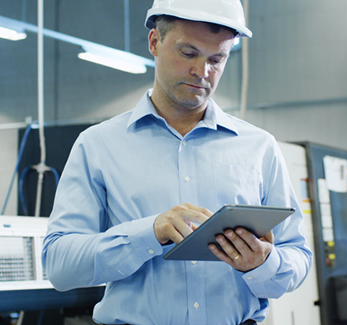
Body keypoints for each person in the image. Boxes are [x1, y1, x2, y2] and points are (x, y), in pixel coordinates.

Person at [42, 0, 312, 324]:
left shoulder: (259, 148)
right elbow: (59, 266)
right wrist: (149, 233)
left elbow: (297, 257)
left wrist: (262, 262)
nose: (202, 72)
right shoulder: (98, 145)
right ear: (154, 42)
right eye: (188, 54)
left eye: (217, 59)